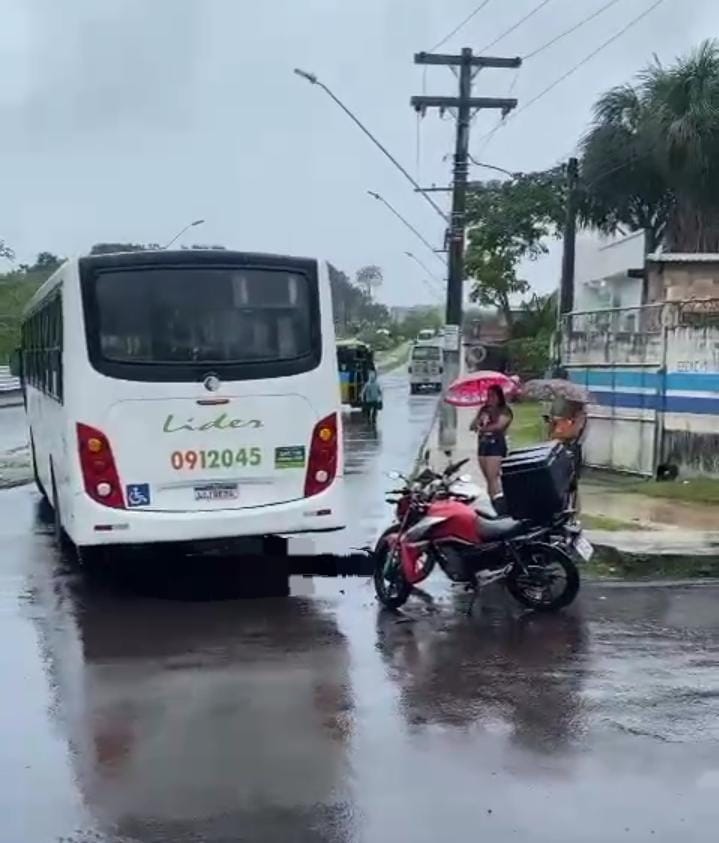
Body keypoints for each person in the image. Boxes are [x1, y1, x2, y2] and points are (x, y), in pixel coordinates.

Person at [470, 384, 513, 514]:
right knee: (488, 479)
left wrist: (484, 427)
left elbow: (499, 426)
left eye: (493, 395)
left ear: (499, 397)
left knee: (493, 477)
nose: (490, 398)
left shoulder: (504, 410)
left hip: (496, 445)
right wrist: (479, 420)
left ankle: (499, 504)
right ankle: (492, 501)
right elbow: (473, 426)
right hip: (483, 445)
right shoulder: (484, 409)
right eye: (488, 395)